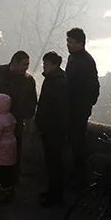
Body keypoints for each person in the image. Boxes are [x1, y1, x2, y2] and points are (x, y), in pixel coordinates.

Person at [0, 50, 37, 188]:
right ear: (14, 62)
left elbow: (32, 104)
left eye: (28, 64)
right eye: (24, 64)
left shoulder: (28, 81)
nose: (26, 68)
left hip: (15, 126)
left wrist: (18, 115)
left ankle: (8, 185)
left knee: (11, 158)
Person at [66, 27, 99, 185]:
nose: (68, 45)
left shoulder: (86, 61)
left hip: (79, 109)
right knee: (73, 142)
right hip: (72, 107)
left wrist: (85, 105)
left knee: (78, 143)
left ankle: (81, 176)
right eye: (67, 41)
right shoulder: (73, 58)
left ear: (81, 43)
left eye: (71, 42)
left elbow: (93, 86)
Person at [35, 51, 68, 206]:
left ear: (54, 65)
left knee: (54, 163)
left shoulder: (58, 82)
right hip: (50, 128)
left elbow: (57, 109)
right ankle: (52, 192)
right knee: (51, 162)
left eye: (46, 64)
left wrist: (46, 124)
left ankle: (55, 196)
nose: (44, 66)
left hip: (54, 130)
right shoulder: (54, 79)